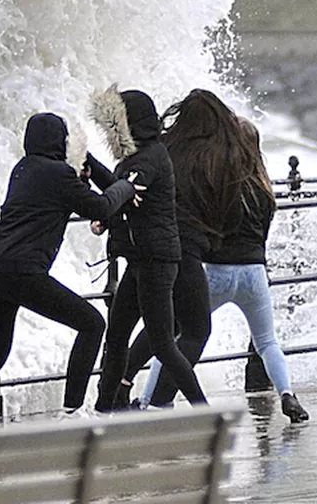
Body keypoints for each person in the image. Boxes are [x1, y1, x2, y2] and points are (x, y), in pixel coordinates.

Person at [0, 111, 140, 430]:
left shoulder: (24, 168)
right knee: (92, 323)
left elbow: (60, 201)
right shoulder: (57, 174)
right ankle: (72, 412)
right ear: (59, 141)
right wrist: (126, 187)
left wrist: (80, 182)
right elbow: (98, 207)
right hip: (23, 271)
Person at [137, 117, 310, 423]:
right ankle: (287, 394)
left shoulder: (220, 183)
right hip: (255, 273)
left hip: (216, 272)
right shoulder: (264, 189)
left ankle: (148, 400)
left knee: (174, 335)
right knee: (267, 342)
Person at [115, 89, 242, 408]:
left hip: (146, 247)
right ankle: (161, 402)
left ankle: (119, 385)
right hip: (181, 251)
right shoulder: (217, 157)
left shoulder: (164, 148)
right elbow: (233, 214)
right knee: (196, 330)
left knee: (161, 327)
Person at [86, 84, 207, 412]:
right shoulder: (134, 159)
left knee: (164, 344)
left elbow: (124, 191)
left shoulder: (151, 157)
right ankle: (105, 409)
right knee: (116, 337)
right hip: (140, 260)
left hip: (158, 261)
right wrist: (90, 168)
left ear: (131, 123)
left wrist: (104, 209)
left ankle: (203, 410)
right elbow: (121, 190)